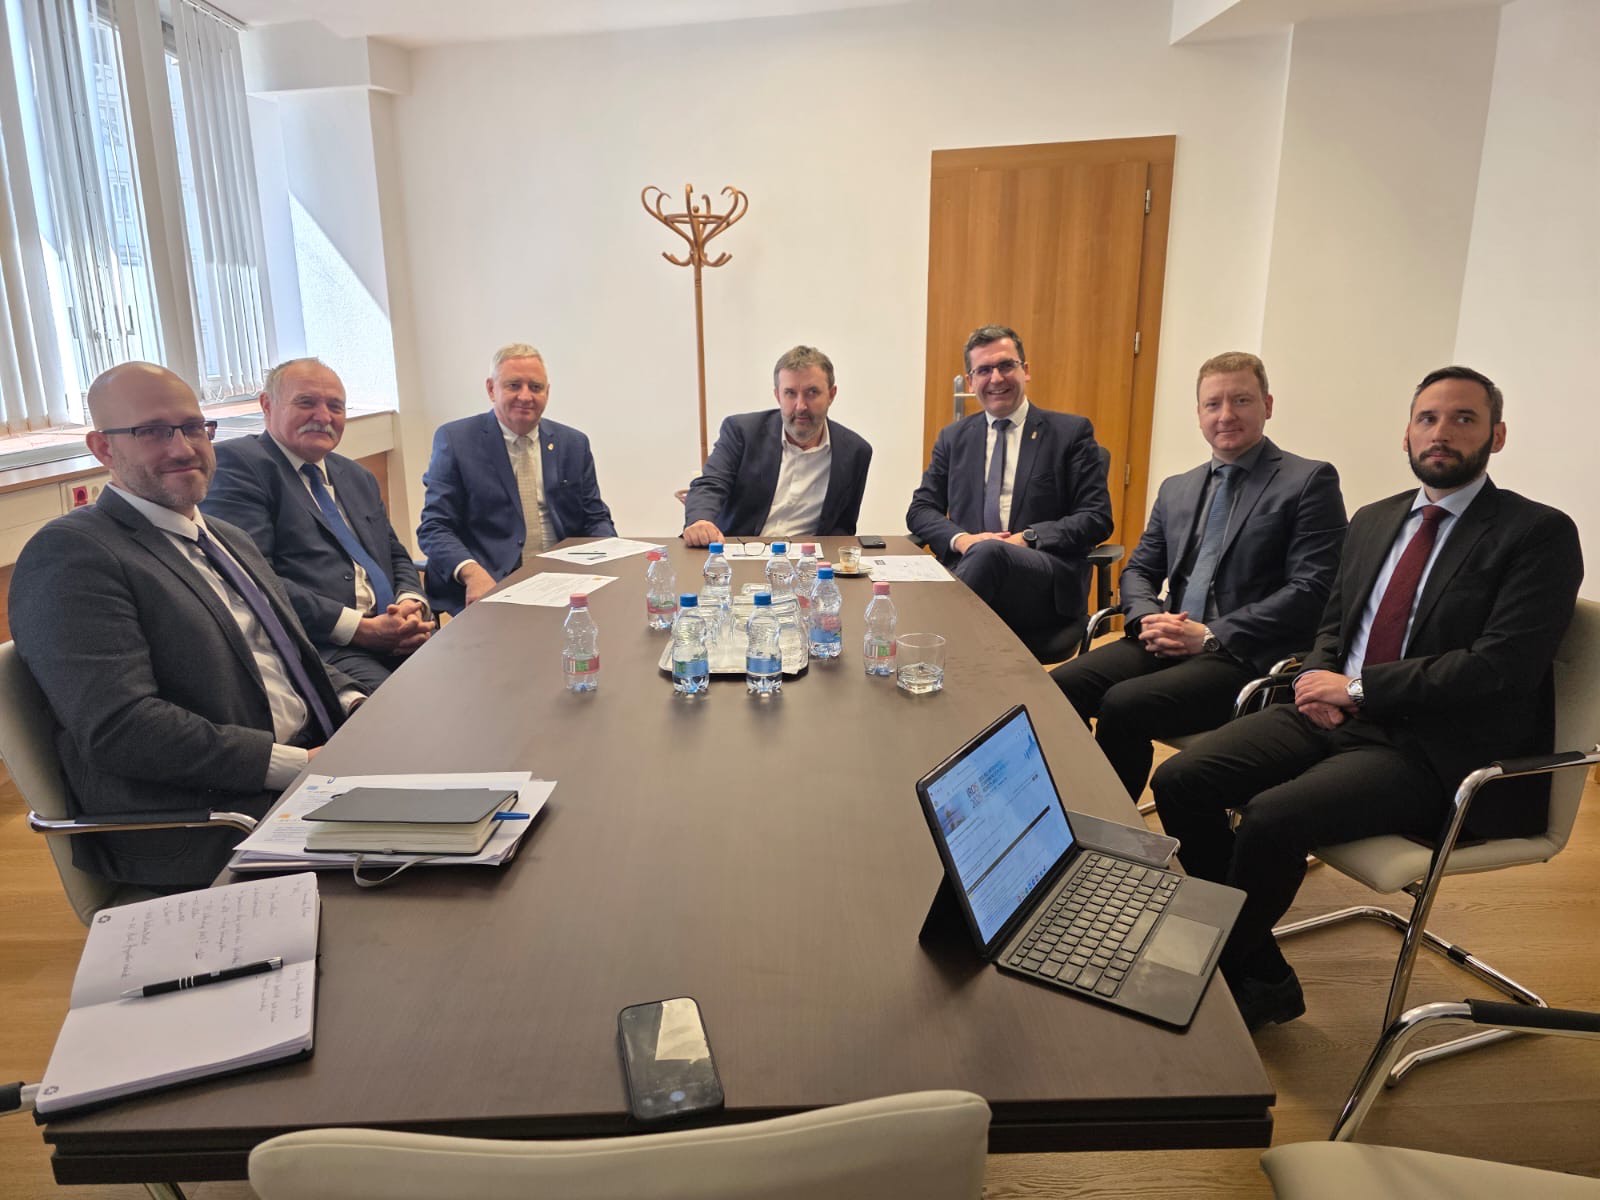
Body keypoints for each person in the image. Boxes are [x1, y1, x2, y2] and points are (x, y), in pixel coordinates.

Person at [1151, 365, 1583, 1031]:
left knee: (1270, 818)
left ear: (1496, 436)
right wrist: (1318, 681)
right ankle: (1257, 970)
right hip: (1334, 713)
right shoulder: (1377, 519)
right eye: (1427, 419)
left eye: (1464, 419)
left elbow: (1502, 667)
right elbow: (1335, 625)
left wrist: (1357, 686)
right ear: (1406, 434)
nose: (1441, 433)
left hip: (1432, 746)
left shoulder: (1537, 534)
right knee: (1181, 781)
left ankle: (1212, 969)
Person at [9, 363, 359, 889]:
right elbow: (121, 728)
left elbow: (289, 656)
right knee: (435, 884)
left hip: (304, 771)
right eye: (152, 432)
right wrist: (297, 763)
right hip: (214, 820)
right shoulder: (73, 554)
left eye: (194, 427)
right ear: (103, 448)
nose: (184, 448)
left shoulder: (226, 537)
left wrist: (357, 706)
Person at [1052, 352, 1347, 799]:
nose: (1225, 415)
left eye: (1241, 400)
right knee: (1059, 687)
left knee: (1124, 705)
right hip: (1168, 636)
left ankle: (1111, 821)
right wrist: (1146, 618)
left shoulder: (1308, 481)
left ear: (1267, 405)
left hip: (1244, 654)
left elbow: (1312, 590)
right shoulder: (1178, 487)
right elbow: (1140, 569)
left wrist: (1210, 635)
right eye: (1213, 404)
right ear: (1198, 413)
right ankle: (1070, 805)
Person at [203, 358, 431, 691]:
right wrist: (361, 629)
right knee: (406, 705)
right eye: (306, 403)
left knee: (477, 673)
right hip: (323, 647)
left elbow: (394, 553)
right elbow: (251, 578)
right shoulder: (238, 465)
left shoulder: (356, 476)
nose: (323, 417)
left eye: (335, 407)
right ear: (267, 405)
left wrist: (412, 604)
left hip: (396, 632)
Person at [907, 324, 1113, 641]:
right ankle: (933, 644)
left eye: (1006, 366)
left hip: (1042, 583)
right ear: (971, 381)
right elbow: (921, 509)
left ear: (1025, 370)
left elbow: (1096, 518)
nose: (996, 378)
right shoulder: (953, 438)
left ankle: (926, 644)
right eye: (984, 370)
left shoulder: (1069, 434)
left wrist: (1027, 538)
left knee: (989, 554)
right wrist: (963, 540)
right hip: (968, 570)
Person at [418, 343, 616, 612]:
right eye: (514, 385)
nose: (525, 396)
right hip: (494, 582)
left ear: (547, 392)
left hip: (566, 582)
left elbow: (595, 518)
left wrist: (611, 556)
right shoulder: (456, 441)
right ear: (491, 389)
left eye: (535, 387)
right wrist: (472, 573)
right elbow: (435, 527)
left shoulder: (573, 443)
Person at [681, 345, 873, 547]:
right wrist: (700, 521)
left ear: (831, 394)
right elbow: (710, 484)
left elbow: (843, 527)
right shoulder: (742, 432)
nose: (801, 406)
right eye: (790, 393)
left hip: (807, 559)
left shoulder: (855, 452)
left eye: (812, 392)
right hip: (741, 552)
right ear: (777, 396)